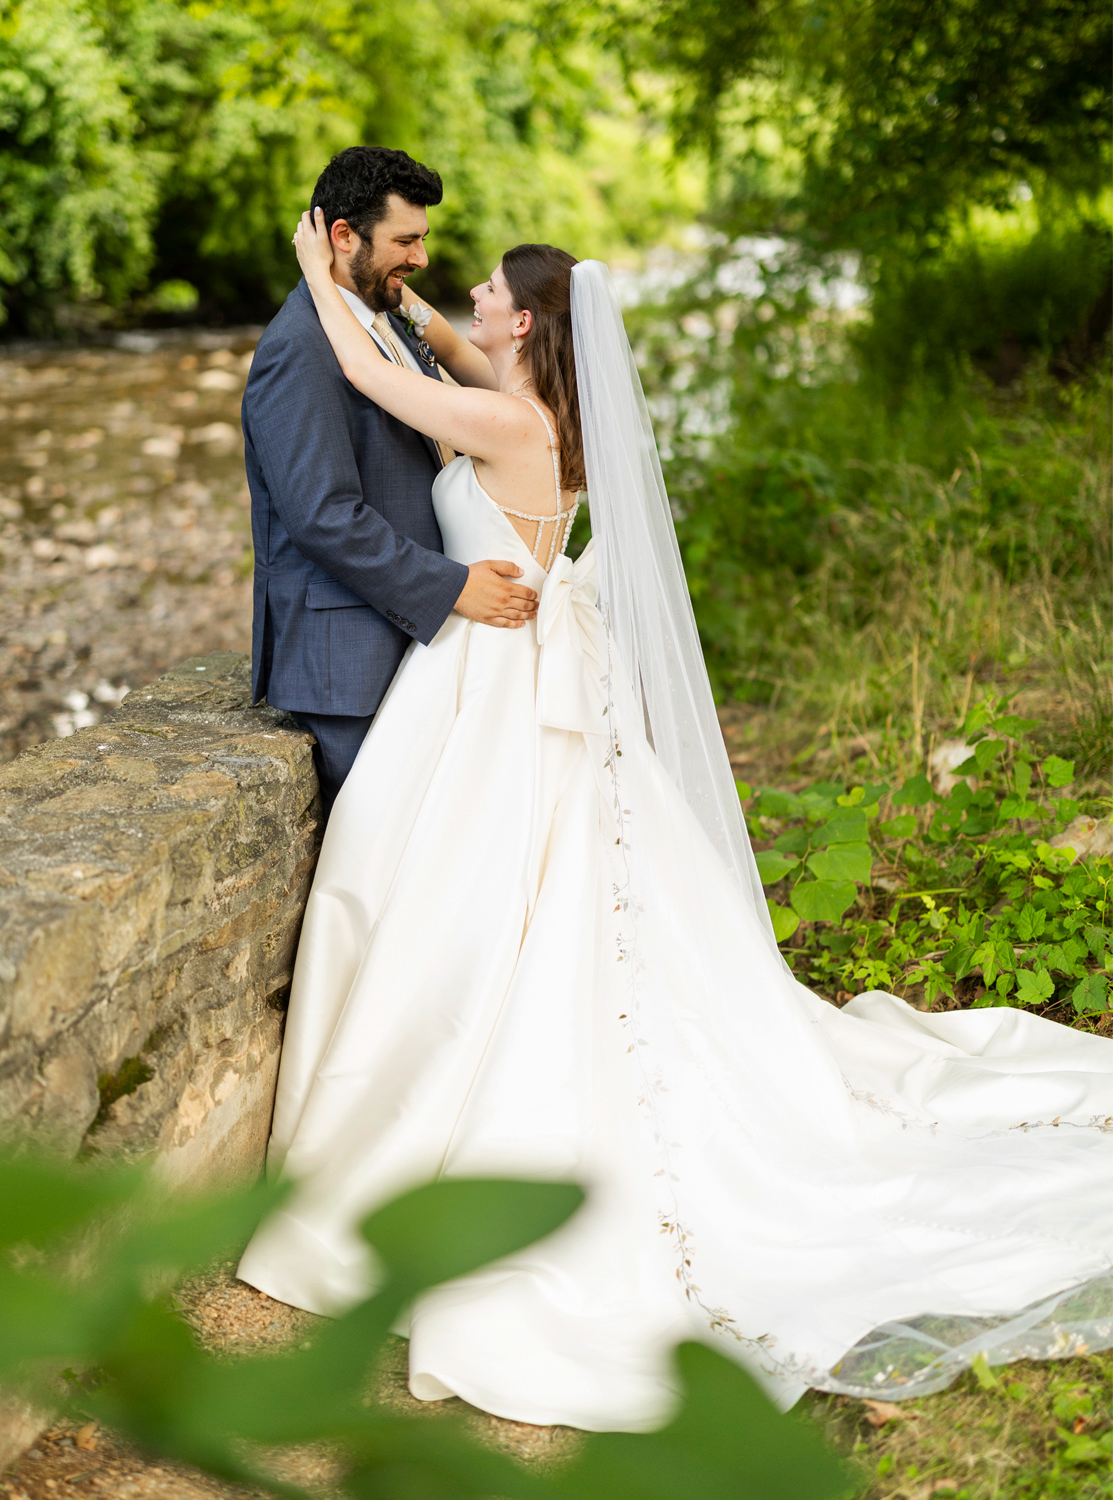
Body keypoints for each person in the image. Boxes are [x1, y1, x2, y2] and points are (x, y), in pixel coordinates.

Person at [237, 207, 1113, 1432]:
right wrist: (388, 290)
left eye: (488, 288)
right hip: (507, 677)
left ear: (529, 322)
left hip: (492, 690)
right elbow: (427, 338)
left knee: (473, 904)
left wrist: (311, 274)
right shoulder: (533, 397)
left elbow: (369, 372)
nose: (467, 294)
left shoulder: (505, 416)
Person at [241, 146, 539, 808]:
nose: (421, 259)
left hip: (416, 640)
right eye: (406, 240)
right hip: (351, 659)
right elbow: (323, 516)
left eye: (423, 240)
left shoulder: (384, 319)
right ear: (342, 237)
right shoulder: (298, 350)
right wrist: (452, 586)